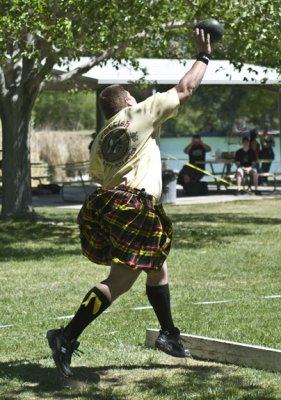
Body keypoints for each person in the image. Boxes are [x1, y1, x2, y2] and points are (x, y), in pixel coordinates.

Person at [46, 28, 212, 377]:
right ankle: (65, 336)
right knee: (120, 280)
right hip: (135, 205)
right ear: (126, 102)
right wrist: (203, 56)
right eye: (133, 98)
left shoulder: (100, 139)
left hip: (109, 205)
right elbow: (185, 90)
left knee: (157, 266)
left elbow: (97, 177)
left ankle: (168, 334)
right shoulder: (138, 114)